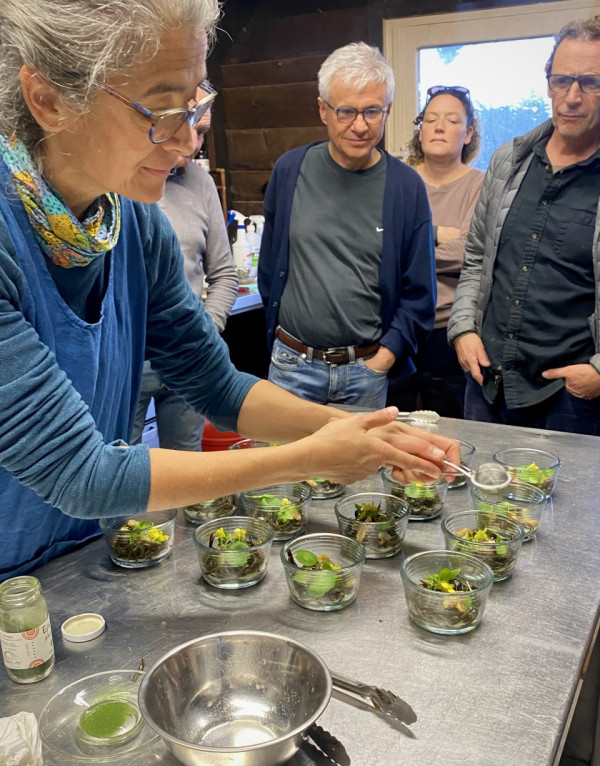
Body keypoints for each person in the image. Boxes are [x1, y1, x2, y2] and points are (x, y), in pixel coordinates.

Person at [0, 0, 459, 579]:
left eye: (196, 104)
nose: (188, 139)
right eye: (163, 109)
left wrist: (358, 430)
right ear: (49, 100)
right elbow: (79, 472)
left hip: (86, 556)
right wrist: (303, 459)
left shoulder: (134, 226)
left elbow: (220, 388)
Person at [258, 42, 436, 409]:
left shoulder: (405, 187)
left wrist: (382, 361)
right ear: (323, 110)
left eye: (372, 111)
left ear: (387, 110)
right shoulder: (290, 171)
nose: (360, 126)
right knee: (286, 467)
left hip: (365, 373)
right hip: (291, 367)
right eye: (346, 112)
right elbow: (269, 268)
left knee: (360, 470)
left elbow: (420, 294)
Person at [448, 16, 600, 435]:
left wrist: (597, 373)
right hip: (487, 383)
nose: (572, 97)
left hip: (571, 399)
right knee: (480, 500)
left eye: (590, 82)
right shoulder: (509, 160)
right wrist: (462, 330)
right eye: (562, 79)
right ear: (548, 81)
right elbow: (477, 256)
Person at [131, 100, 239, 450]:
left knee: (189, 470)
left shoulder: (201, 182)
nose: (193, 143)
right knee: (121, 473)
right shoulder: (121, 180)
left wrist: (205, 330)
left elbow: (224, 273)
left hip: (187, 356)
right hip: (130, 361)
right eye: (185, 125)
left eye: (203, 131)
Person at [388, 86, 484, 418]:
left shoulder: (481, 185)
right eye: (430, 119)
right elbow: (379, 247)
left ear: (469, 132)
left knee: (449, 428)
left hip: (450, 331)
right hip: (394, 324)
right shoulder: (397, 179)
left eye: (452, 120)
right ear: (421, 129)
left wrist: (410, 247)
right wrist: (439, 234)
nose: (439, 127)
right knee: (391, 426)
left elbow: (471, 253)